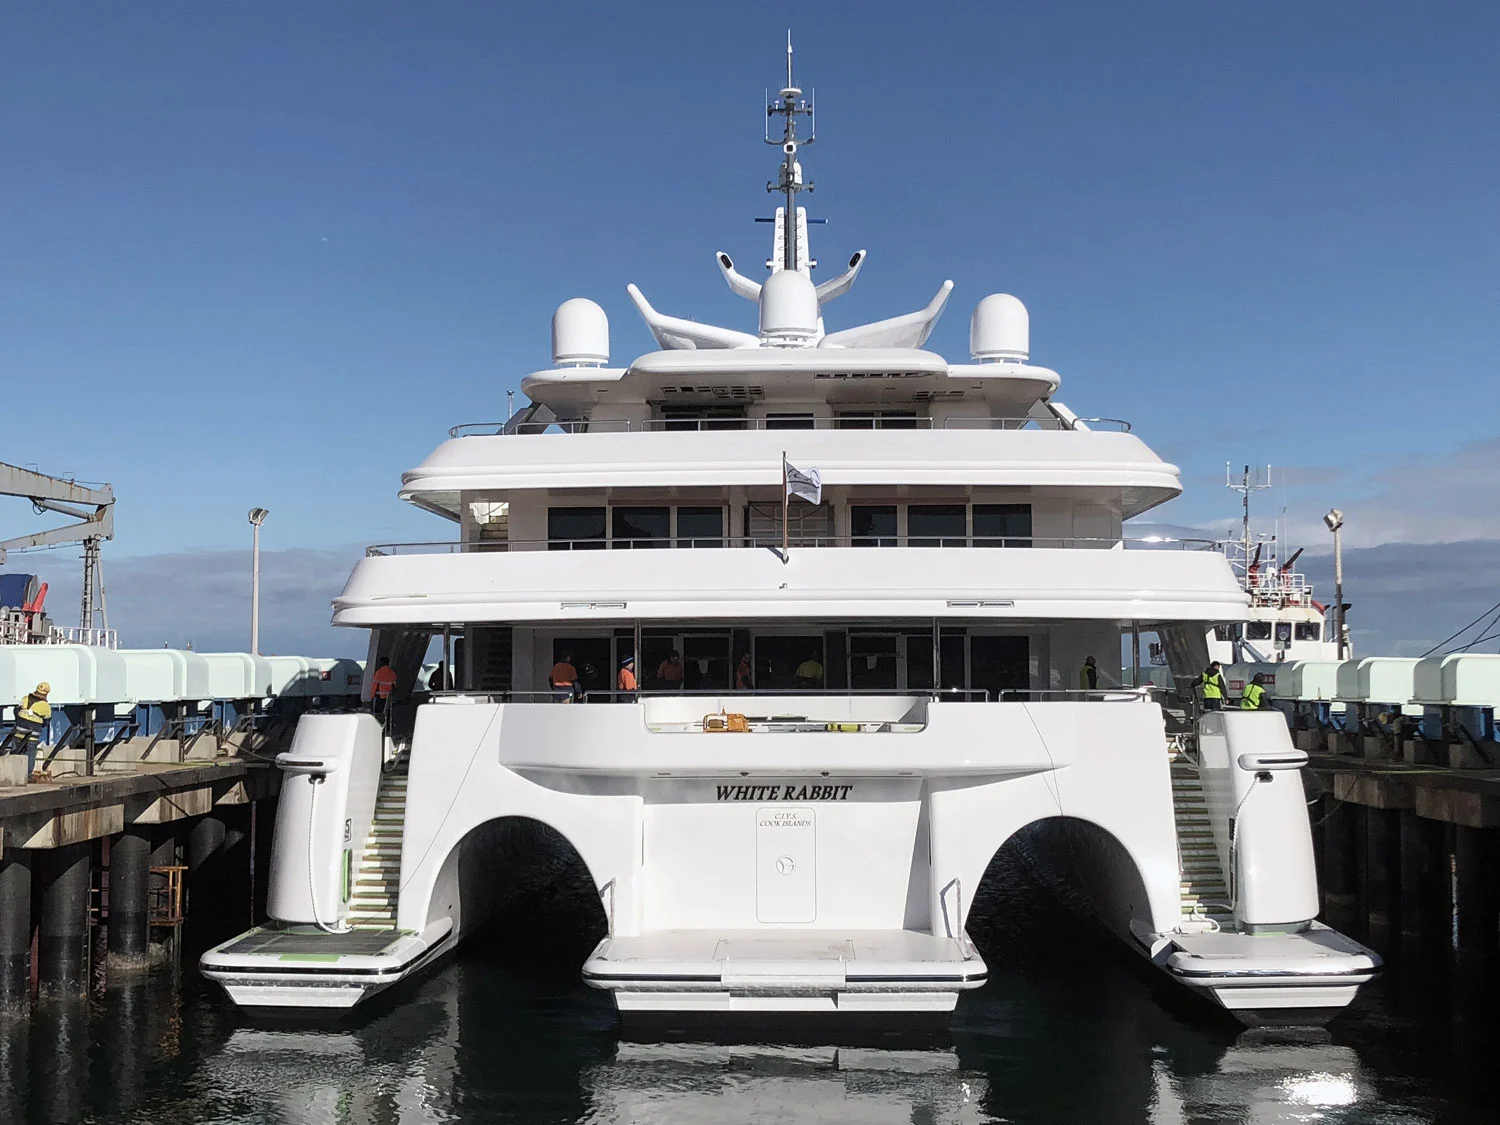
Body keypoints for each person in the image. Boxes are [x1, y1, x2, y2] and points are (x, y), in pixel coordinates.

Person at [10, 682, 51, 777]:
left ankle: (13, 773)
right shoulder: (45, 706)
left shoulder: (25, 699)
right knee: (30, 753)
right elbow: (47, 720)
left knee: (16, 751)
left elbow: (16, 710)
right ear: (46, 693)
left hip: (19, 731)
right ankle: (27, 775)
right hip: (33, 734)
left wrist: (20, 721)